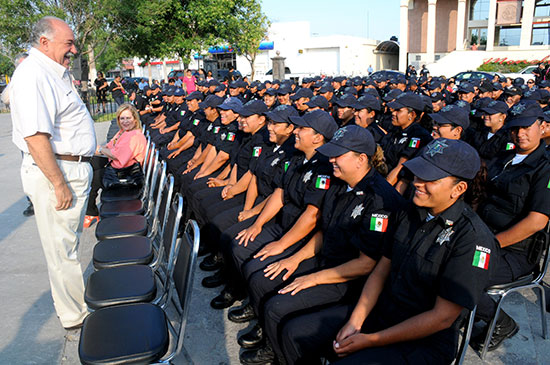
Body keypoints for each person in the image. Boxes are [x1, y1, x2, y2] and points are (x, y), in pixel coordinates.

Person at [305, 139, 496, 364]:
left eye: (429, 179)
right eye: (417, 175)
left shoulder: (472, 239)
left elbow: (442, 318)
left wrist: (371, 340)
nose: (417, 183)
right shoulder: (408, 212)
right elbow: (380, 271)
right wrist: (355, 322)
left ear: (459, 189)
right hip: (383, 313)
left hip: (423, 341)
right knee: (296, 332)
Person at [240, 126, 405, 364]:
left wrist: (313, 278)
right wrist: (294, 258)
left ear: (361, 159)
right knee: (263, 277)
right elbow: (324, 231)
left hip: (349, 281)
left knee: (278, 308)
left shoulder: (379, 200)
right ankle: (275, 345)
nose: (331, 160)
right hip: (326, 261)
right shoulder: (339, 183)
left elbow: (365, 265)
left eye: (338, 155)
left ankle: (286, 353)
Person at [10, 16, 96, 330]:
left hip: (68, 167)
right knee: (63, 252)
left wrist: (93, 149)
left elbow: (62, 128)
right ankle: (76, 316)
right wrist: (58, 183)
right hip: (58, 173)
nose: (74, 49)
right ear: (44, 42)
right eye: (68, 43)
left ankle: (74, 308)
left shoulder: (50, 73)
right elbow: (35, 136)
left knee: (67, 248)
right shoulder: (33, 74)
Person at [471, 101, 550, 352]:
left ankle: (501, 322)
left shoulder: (544, 168)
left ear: (543, 127)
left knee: (459, 272)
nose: (520, 134)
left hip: (513, 252)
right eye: (515, 128)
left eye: (527, 127)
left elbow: (537, 221)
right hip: (482, 236)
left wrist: (492, 244)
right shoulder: (504, 157)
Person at [84, 104, 147, 226]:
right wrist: (101, 149)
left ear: (135, 119)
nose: (125, 121)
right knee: (92, 163)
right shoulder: (123, 132)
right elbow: (110, 146)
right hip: (121, 168)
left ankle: (91, 212)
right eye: (122, 118)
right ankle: (89, 208)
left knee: (94, 177)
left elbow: (118, 156)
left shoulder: (133, 136)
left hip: (128, 176)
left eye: (128, 118)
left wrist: (100, 149)